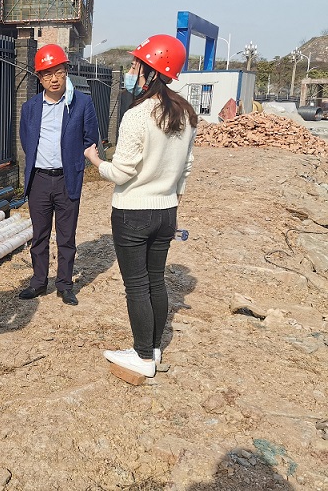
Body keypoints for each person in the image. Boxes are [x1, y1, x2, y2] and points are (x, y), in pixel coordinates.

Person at [84, 34, 197, 378]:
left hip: (133, 212)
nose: (132, 71)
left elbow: (122, 172)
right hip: (166, 211)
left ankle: (143, 356)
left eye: (136, 65)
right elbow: (186, 168)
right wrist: (171, 203)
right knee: (156, 281)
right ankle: (154, 348)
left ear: (152, 71)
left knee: (136, 285)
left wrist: (95, 160)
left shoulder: (137, 115)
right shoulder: (185, 113)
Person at [18, 44, 100, 306]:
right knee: (39, 235)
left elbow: (90, 139)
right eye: (47, 74)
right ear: (39, 77)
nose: (54, 79)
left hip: (67, 179)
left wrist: (76, 164)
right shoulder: (30, 107)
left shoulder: (81, 104)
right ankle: (38, 282)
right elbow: (27, 140)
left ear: (66, 71)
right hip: (39, 180)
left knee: (66, 236)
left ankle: (64, 284)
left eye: (59, 72)